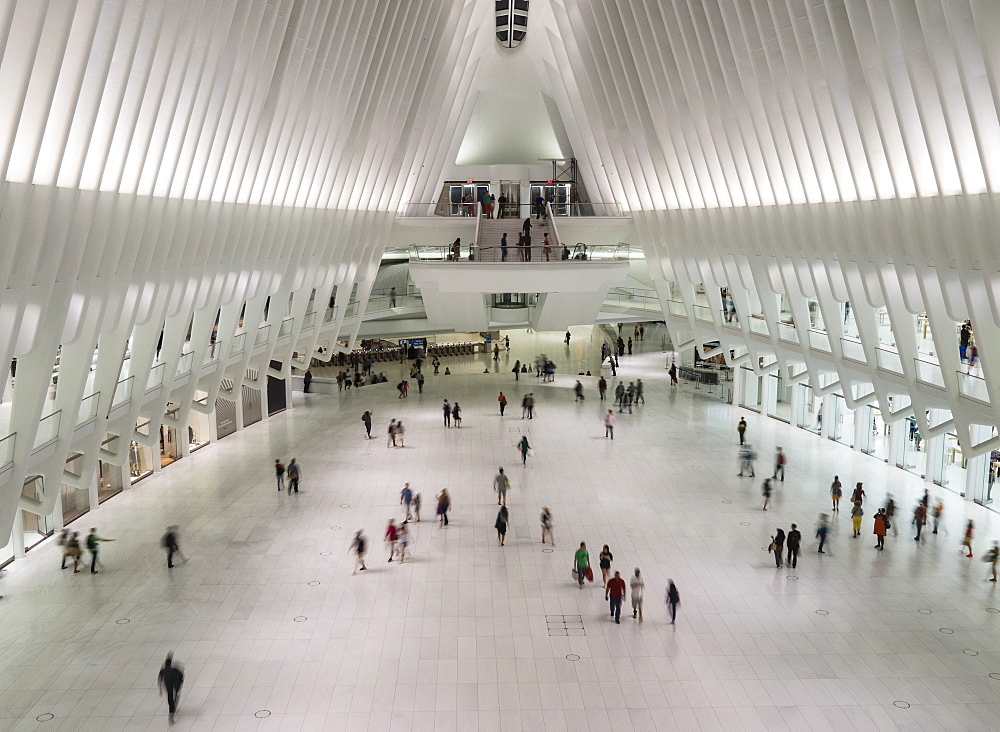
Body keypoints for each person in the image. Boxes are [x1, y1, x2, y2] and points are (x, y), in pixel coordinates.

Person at [157, 653, 184, 723]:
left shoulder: (163, 670)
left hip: (167, 686)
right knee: (174, 697)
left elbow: (159, 679)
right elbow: (181, 674)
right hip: (173, 685)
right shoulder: (173, 669)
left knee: (170, 697)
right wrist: (180, 682)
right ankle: (172, 711)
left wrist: (160, 689)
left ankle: (171, 711)